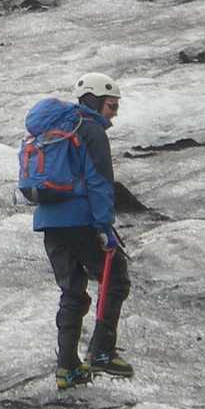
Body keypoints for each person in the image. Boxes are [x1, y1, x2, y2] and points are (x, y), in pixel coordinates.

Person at [33, 72, 132, 391]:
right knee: (116, 276)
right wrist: (104, 227)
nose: (114, 113)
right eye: (112, 105)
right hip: (79, 218)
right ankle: (101, 352)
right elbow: (99, 181)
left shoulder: (55, 130)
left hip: (49, 220)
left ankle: (68, 367)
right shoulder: (90, 130)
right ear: (96, 101)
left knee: (73, 289)